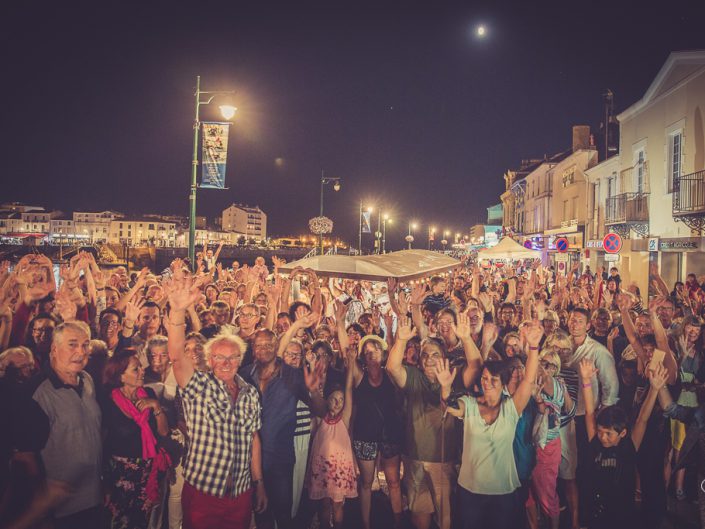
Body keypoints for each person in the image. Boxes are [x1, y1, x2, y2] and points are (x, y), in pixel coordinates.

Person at [165, 270, 265, 529]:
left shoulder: (250, 392)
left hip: (240, 495)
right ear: (209, 360)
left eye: (232, 357)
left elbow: (254, 438)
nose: (225, 363)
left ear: (240, 361)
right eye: (219, 357)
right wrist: (177, 312)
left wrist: (259, 483)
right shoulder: (199, 386)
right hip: (203, 494)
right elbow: (177, 357)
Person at [437, 321, 541, 529]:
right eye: (484, 378)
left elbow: (528, 380)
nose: (487, 382)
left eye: (494, 379)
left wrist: (533, 348)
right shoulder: (470, 404)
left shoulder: (512, 408)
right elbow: (450, 407)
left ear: (503, 383)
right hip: (470, 491)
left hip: (503, 492)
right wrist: (446, 388)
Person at [386, 313, 482, 529]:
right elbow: (392, 368)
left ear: (445, 357)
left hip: (444, 460)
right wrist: (401, 340)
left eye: (435, 354)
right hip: (414, 458)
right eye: (425, 355)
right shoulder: (413, 377)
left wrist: (466, 339)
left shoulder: (454, 376)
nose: (430, 359)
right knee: (420, 514)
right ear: (419, 360)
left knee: (444, 517)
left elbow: (476, 367)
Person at [16, 321, 105, 529]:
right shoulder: (38, 393)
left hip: (93, 498)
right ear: (54, 349)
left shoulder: (87, 380)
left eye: (85, 345)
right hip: (60, 510)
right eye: (72, 345)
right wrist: (42, 511)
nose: (80, 352)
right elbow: (25, 456)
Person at [240, 327, 327, 529]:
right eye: (259, 345)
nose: (263, 349)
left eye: (269, 344)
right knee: (260, 515)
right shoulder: (243, 375)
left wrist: (314, 392)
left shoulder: (294, 376)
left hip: (280, 459)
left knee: (283, 515)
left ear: (277, 347)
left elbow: (322, 411)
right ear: (253, 348)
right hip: (249, 460)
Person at [577, 359, 666, 529]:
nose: (603, 437)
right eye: (601, 431)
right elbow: (589, 414)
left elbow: (642, 419)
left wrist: (654, 389)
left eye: (609, 434)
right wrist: (586, 380)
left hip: (622, 514)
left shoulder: (628, 446)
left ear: (622, 433)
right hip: (596, 510)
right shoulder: (595, 441)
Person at [101, 348, 171, 529]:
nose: (142, 371)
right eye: (136, 369)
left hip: (146, 474)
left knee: (141, 522)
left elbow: (163, 432)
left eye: (141, 367)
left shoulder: (149, 393)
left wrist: (155, 407)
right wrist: (105, 482)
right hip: (119, 477)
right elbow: (102, 444)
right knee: (117, 523)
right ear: (121, 376)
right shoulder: (107, 402)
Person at [351, 334, 403, 529]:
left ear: (383, 353)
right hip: (364, 436)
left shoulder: (390, 373)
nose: (372, 355)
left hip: (389, 434)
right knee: (366, 483)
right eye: (367, 352)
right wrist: (340, 324)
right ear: (363, 357)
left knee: (394, 482)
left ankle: (398, 522)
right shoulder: (359, 375)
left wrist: (390, 329)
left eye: (376, 350)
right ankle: (366, 524)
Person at [307, 344, 358, 529]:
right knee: (324, 503)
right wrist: (313, 368)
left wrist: (351, 364)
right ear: (327, 400)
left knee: (337, 504)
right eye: (333, 399)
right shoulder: (323, 415)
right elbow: (315, 392)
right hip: (322, 467)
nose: (337, 403)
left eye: (341, 400)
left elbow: (349, 389)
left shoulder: (344, 418)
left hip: (339, 469)